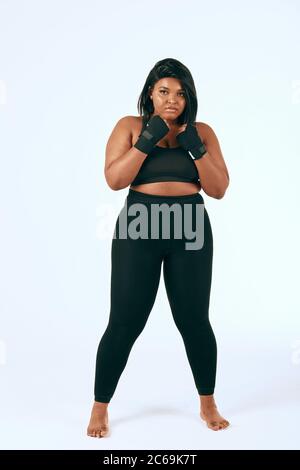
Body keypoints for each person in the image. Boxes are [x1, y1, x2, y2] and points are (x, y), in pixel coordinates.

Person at [87, 58, 230, 437]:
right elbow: (115, 179)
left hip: (190, 226)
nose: (172, 100)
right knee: (125, 321)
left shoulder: (202, 132)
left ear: (190, 97)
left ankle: (207, 402)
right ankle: (100, 406)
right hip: (140, 225)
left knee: (194, 320)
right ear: (150, 92)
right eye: (164, 91)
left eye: (181, 93)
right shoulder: (130, 127)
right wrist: (148, 140)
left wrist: (195, 147)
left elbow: (218, 189)